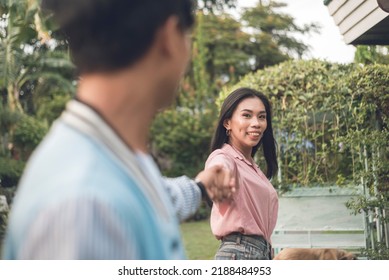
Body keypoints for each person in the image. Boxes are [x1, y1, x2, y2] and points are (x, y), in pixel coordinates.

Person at [2, 0, 235, 259]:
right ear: (169, 37)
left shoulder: (108, 154)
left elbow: (151, 198)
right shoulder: (85, 209)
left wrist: (200, 187)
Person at [205, 87, 279, 260]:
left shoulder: (252, 167)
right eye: (247, 115)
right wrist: (217, 179)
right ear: (227, 123)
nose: (256, 123)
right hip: (240, 253)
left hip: (259, 253)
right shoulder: (223, 157)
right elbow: (219, 169)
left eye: (261, 117)